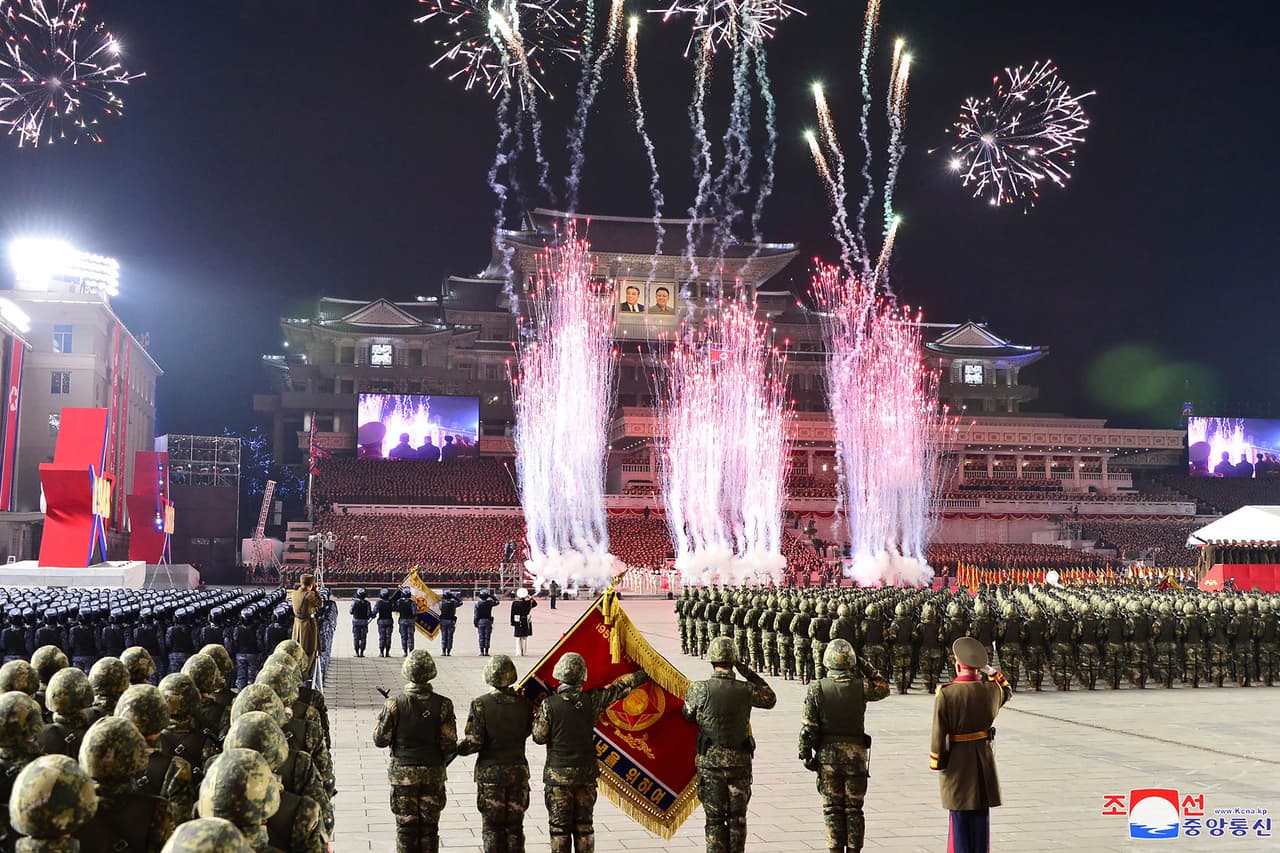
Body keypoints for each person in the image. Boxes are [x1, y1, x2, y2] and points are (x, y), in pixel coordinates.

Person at [532, 653, 648, 853]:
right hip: (586, 775)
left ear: (559, 675)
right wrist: (644, 674)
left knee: (559, 830)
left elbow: (539, 737)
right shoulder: (592, 700)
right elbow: (620, 688)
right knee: (584, 828)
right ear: (582, 676)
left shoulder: (549, 705)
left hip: (558, 777)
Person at [683, 636, 777, 853]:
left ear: (711, 660)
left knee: (715, 820)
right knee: (738, 819)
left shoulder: (699, 689)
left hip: (711, 764)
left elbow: (687, 715)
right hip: (739, 763)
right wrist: (749, 673)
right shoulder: (746, 689)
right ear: (734, 660)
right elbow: (770, 699)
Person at [799, 639, 890, 853]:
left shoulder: (817, 688)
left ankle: (835, 849)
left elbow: (808, 728)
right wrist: (863, 664)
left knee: (832, 809)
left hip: (828, 758)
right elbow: (883, 686)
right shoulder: (861, 686)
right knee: (854, 810)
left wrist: (805, 754)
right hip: (856, 757)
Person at [929, 637, 1013, 853]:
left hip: (957, 763)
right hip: (982, 762)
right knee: (980, 819)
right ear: (978, 667)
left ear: (958, 664)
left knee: (959, 819)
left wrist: (937, 760)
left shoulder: (947, 693)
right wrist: (990, 671)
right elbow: (1007, 690)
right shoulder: (991, 691)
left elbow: (939, 731)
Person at [373, 650, 457, 853]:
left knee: (405, 829)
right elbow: (450, 744)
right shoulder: (443, 704)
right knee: (429, 829)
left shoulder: (394, 704)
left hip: (403, 775)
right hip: (432, 772)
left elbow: (380, 740)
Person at [457, 655, 535, 853]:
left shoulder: (481, 704)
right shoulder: (525, 704)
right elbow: (529, 731)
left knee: (492, 829)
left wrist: (457, 748)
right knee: (515, 828)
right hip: (518, 774)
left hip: (490, 776)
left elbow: (474, 743)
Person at [290, 575, 322, 678]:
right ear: (311, 585)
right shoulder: (310, 595)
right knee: (310, 650)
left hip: (297, 624)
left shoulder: (294, 594)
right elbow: (320, 603)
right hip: (308, 626)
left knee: (298, 650)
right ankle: (305, 673)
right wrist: (316, 592)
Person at [510, 589, 537, 657]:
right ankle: (524, 652)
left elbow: (512, 613)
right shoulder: (528, 603)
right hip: (525, 620)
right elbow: (535, 603)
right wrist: (529, 596)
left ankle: (518, 652)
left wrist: (512, 622)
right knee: (524, 637)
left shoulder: (515, 603)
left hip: (517, 620)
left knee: (518, 637)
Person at [474, 591, 499, 657]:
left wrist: (475, 622)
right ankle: (487, 651)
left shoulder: (477, 604)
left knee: (481, 636)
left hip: (480, 621)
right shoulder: (489, 603)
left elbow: (476, 615)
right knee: (487, 637)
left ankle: (482, 651)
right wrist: (491, 596)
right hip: (488, 621)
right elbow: (497, 602)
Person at [438, 591, 462, 657]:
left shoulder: (441, 603)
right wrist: (454, 597)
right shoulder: (453, 603)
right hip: (451, 621)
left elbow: (440, 607)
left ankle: (443, 651)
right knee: (450, 637)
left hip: (443, 621)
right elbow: (460, 602)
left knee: (444, 637)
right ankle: (448, 651)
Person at [350, 589, 372, 658]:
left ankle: (356, 652)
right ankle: (362, 652)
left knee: (356, 637)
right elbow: (369, 614)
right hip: (364, 622)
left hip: (356, 621)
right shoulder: (367, 603)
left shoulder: (354, 602)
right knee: (363, 638)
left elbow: (351, 612)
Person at [397, 589, 419, 657]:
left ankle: (405, 652)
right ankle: (411, 651)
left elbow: (396, 609)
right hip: (410, 621)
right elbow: (414, 613)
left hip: (402, 620)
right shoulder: (412, 602)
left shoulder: (399, 601)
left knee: (403, 637)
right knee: (410, 637)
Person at [376, 589, 396, 658]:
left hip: (381, 621)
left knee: (382, 637)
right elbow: (395, 609)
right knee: (388, 637)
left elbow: (375, 611)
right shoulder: (390, 602)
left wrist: (371, 615)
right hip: (389, 621)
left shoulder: (379, 602)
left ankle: (381, 652)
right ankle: (387, 652)